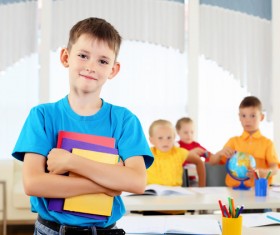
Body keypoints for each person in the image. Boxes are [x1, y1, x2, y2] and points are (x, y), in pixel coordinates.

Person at [12, 17, 154, 235]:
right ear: (65, 57)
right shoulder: (42, 116)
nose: (91, 67)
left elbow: (136, 182)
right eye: (83, 55)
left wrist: (71, 161)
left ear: (113, 70)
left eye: (103, 61)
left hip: (105, 230)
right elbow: (33, 183)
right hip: (52, 231)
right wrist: (109, 183)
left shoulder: (125, 120)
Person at [209, 96, 279, 188]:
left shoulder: (267, 143)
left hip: (257, 191)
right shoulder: (233, 141)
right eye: (243, 115)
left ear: (261, 117)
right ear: (239, 117)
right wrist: (219, 153)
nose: (247, 120)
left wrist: (264, 173)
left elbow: (275, 169)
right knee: (230, 203)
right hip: (233, 191)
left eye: (253, 116)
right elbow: (212, 162)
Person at [147, 119, 206, 187]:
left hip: (175, 193)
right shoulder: (147, 154)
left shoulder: (179, 152)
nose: (165, 141)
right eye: (160, 138)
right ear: (151, 140)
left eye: (169, 137)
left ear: (174, 138)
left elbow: (199, 162)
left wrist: (202, 186)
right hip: (152, 194)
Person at [175, 117, 211, 185]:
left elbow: (208, 156)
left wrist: (206, 160)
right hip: (180, 180)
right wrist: (189, 154)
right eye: (186, 132)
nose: (189, 135)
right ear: (178, 132)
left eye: (192, 132)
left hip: (194, 179)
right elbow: (176, 164)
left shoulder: (196, 145)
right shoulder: (177, 147)